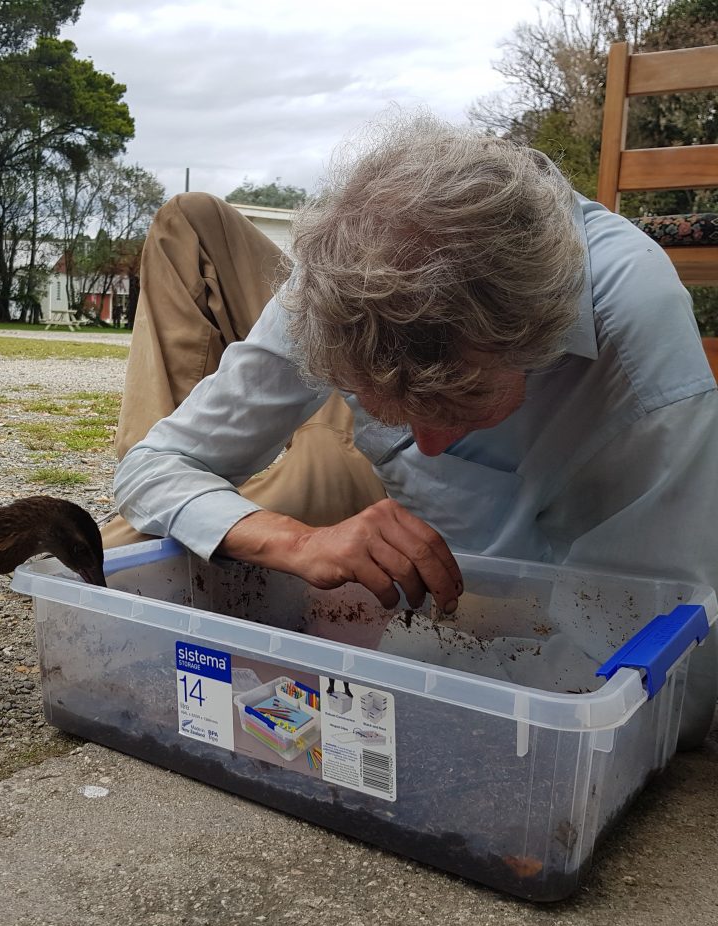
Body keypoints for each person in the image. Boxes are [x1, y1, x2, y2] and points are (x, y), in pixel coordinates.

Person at [104, 114, 718, 747]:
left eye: (467, 402)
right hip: (364, 496)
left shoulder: (637, 344)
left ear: (543, 338)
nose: (427, 445)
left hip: (500, 584)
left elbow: (669, 673)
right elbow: (153, 466)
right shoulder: (333, 285)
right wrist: (292, 542)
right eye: (382, 405)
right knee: (119, 565)